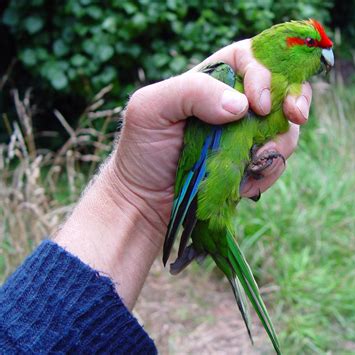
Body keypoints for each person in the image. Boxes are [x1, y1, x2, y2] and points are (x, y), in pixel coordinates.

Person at [0, 39, 312, 353]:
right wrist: (138, 196)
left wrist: (137, 197)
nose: (324, 53)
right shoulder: (227, 79)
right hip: (204, 203)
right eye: (311, 44)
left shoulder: (277, 94)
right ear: (284, 46)